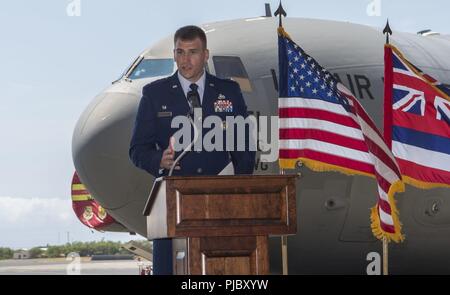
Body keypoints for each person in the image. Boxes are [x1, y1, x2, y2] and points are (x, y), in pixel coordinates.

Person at [129, 25, 255, 275]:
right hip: (174, 202)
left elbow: (244, 146)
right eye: (180, 52)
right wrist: (159, 160)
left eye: (193, 52)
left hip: (219, 200)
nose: (185, 60)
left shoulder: (228, 91)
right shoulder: (155, 94)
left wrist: (238, 190)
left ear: (205, 55)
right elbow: (137, 149)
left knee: (224, 270)